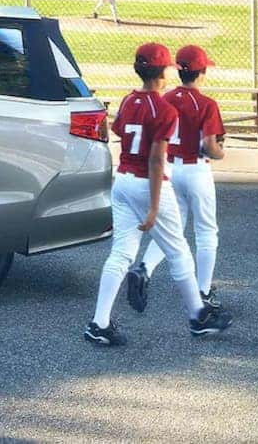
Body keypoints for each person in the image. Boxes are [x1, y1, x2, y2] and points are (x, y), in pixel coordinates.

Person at [84, 43, 232, 347]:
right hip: (147, 183)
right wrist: (153, 206)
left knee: (121, 252)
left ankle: (99, 323)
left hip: (122, 180)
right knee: (179, 250)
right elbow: (154, 159)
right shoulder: (163, 109)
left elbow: (119, 130)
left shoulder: (129, 100)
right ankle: (198, 317)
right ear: (162, 72)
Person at [128, 45, 226, 313]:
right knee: (206, 231)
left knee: (173, 228)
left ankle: (144, 268)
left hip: (170, 168)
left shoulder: (165, 99)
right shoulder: (206, 103)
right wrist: (221, 153)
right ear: (202, 72)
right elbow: (209, 146)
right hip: (196, 170)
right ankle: (203, 291)